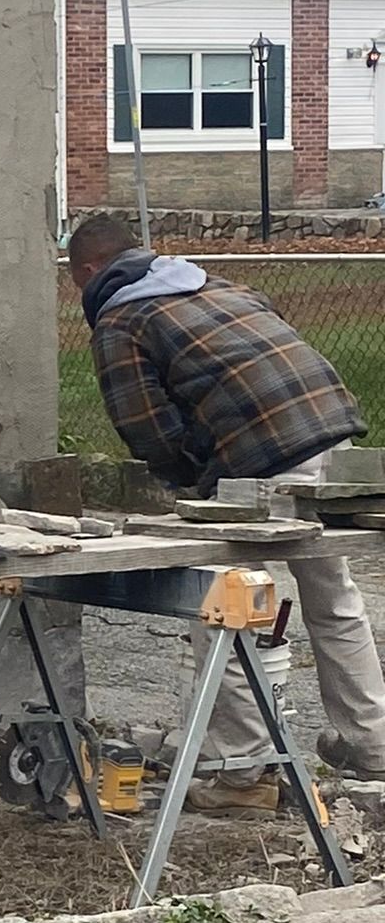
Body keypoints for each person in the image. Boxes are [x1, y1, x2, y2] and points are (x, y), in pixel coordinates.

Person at [67, 214, 385, 813]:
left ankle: (243, 774)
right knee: (333, 595)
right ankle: (371, 746)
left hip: (261, 456)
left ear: (87, 272)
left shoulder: (120, 318)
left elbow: (148, 429)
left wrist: (194, 491)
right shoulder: (220, 286)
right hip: (332, 436)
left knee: (226, 604)